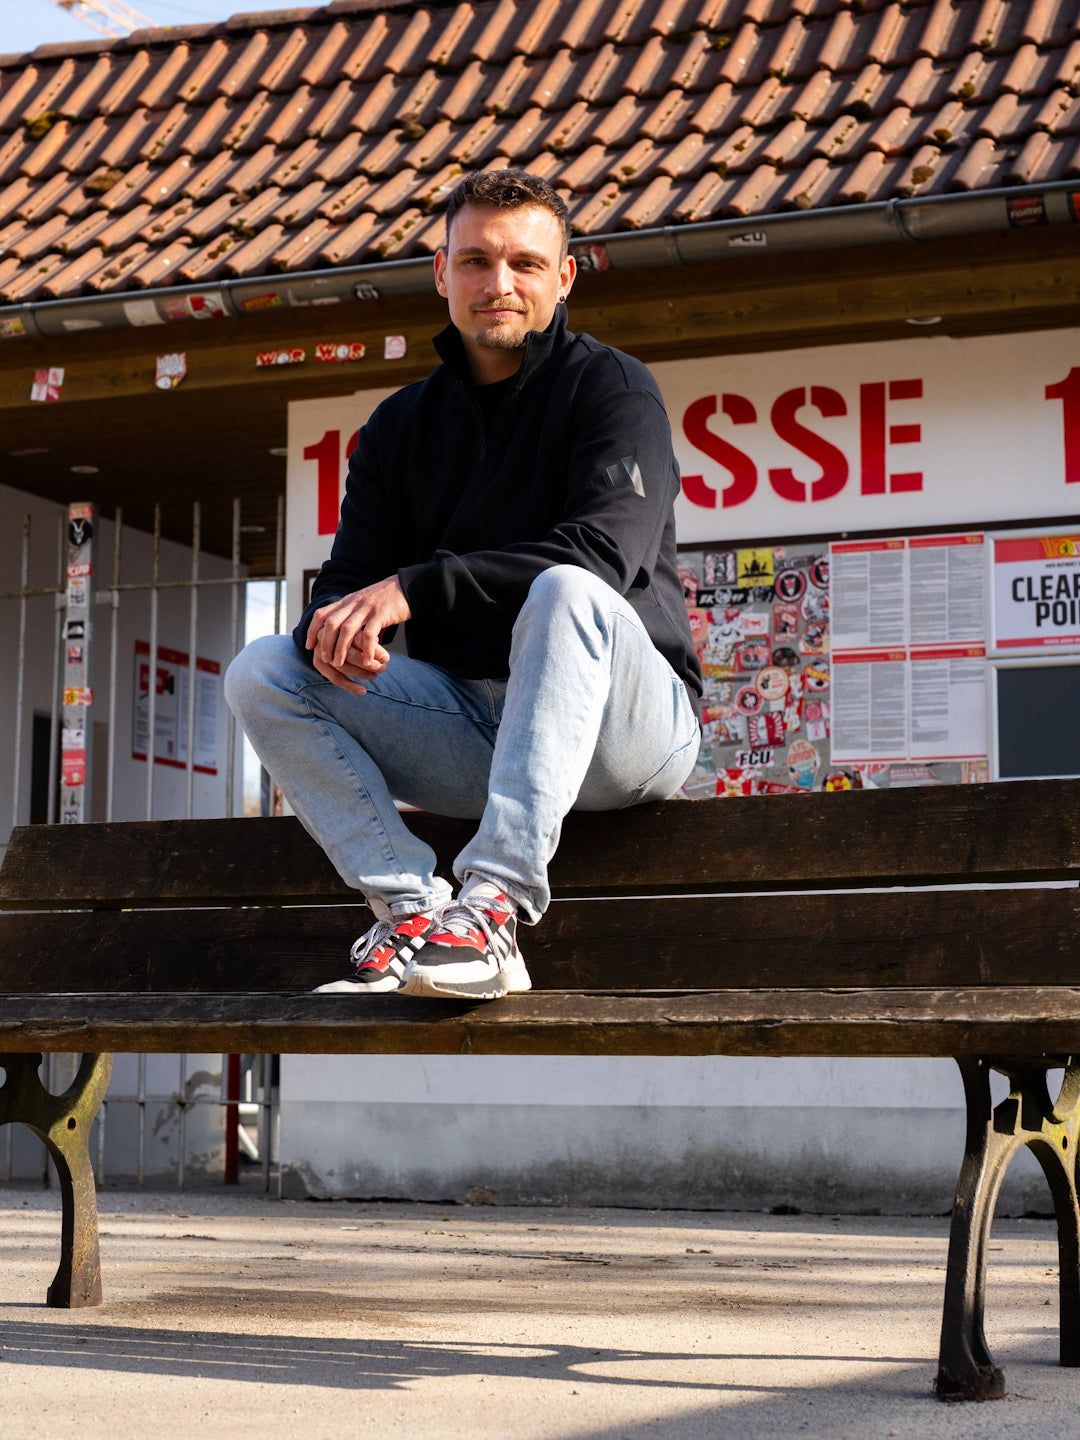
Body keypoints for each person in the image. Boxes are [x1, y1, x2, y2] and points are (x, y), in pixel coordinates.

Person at [225, 169, 703, 1001]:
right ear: (442, 274)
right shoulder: (400, 427)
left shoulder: (613, 389)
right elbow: (346, 584)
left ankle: (494, 905)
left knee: (567, 593)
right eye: (476, 261)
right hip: (477, 729)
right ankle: (413, 914)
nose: (500, 284)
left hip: (627, 736)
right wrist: (330, 635)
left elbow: (598, 557)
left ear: (565, 276)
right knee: (264, 669)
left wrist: (414, 589)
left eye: (524, 262)